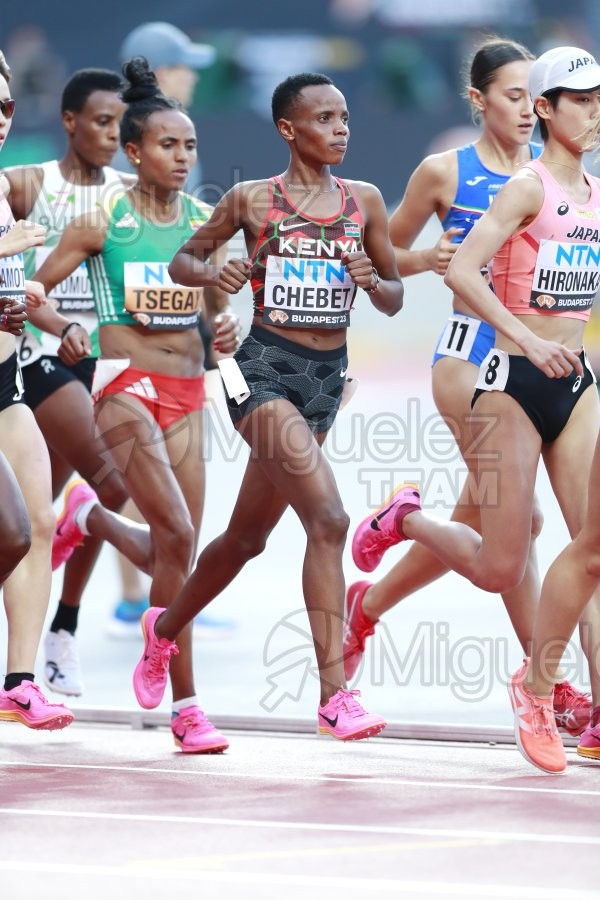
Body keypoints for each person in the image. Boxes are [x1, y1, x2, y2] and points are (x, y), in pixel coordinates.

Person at [131, 72, 403, 741]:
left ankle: (162, 629)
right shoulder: (253, 200)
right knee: (330, 518)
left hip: (325, 380)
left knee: (247, 539)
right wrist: (215, 272)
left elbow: (394, 293)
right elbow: (183, 265)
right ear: (289, 129)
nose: (341, 129)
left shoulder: (363, 201)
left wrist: (375, 282)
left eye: (344, 118)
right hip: (259, 371)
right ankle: (335, 696)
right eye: (325, 119)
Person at [352, 45, 600, 773]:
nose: (591, 111)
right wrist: (521, 332)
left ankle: (558, 696)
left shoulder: (592, 192)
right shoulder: (505, 184)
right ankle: (408, 520)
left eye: (598, 99)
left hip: (574, 382)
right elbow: (437, 262)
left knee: (590, 551)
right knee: (503, 558)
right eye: (574, 99)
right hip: (495, 374)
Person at [32, 57, 239, 753]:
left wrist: (229, 331)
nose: (181, 158)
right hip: (122, 385)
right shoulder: (102, 220)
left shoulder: (208, 220)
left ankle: (89, 518)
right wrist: (63, 327)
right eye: (166, 145)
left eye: (189, 147)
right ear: (134, 151)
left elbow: (214, 316)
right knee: (176, 535)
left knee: (181, 556)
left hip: (188, 391)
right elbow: (36, 290)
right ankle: (190, 710)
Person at [2, 67, 134, 697]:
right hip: (37, 359)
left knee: (34, 526)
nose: (111, 135)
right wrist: (51, 323)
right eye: (101, 122)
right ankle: (63, 628)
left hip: (87, 362)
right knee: (111, 483)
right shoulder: (28, 185)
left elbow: (149, 275)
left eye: (120, 125)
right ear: (69, 121)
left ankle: (48, 644)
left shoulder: (128, 193)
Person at [112, 22, 228, 639]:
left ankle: (150, 591)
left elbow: (193, 253)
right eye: (186, 66)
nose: (195, 77)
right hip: (124, 348)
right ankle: (143, 592)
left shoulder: (178, 139)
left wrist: (214, 325)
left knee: (149, 478)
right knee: (138, 474)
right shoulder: (130, 145)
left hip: (178, 336)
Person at [0, 48, 73, 731]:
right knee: (10, 529)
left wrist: (23, 297)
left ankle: (19, 682)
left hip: (6, 378)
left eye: (4, 106)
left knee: (40, 524)